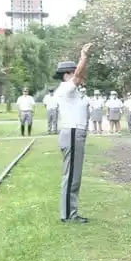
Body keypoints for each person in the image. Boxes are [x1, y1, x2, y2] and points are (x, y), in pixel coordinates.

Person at [54, 44, 93, 223]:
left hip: (76, 133)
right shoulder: (65, 88)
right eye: (76, 71)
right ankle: (69, 215)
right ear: (68, 74)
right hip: (72, 132)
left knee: (74, 175)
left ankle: (71, 212)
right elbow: (78, 76)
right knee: (71, 177)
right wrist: (83, 57)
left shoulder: (74, 91)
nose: (82, 75)